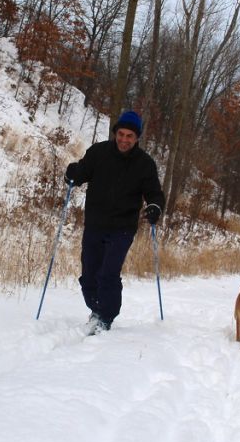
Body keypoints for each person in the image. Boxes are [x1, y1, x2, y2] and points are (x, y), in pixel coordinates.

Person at [64, 110, 166, 334]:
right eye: (121, 134)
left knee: (108, 273)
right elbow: (81, 173)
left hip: (122, 228)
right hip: (94, 224)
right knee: (89, 273)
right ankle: (96, 309)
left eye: (130, 136)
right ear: (115, 133)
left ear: (137, 137)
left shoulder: (145, 164)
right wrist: (72, 174)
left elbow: (155, 194)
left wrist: (154, 207)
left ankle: (106, 317)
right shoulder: (98, 153)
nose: (124, 139)